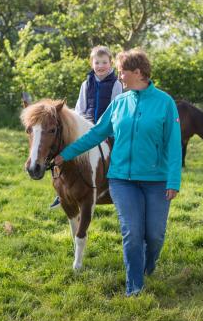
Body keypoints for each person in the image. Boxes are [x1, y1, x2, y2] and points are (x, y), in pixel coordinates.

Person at [55, 48, 182, 296]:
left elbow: (174, 145)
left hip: (156, 181)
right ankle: (134, 287)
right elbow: (96, 134)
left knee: (154, 236)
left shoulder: (165, 103)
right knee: (132, 233)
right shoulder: (120, 102)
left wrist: (173, 180)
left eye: (122, 71)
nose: (119, 76)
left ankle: (147, 266)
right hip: (122, 180)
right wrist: (65, 154)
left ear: (138, 72)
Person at [50, 45, 122, 208]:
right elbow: (80, 108)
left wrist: (103, 127)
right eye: (97, 63)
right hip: (86, 128)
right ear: (92, 64)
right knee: (64, 150)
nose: (100, 66)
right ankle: (61, 192)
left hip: (107, 128)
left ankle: (114, 184)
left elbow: (116, 108)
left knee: (117, 149)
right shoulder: (86, 84)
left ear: (110, 64)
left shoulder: (116, 84)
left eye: (104, 62)